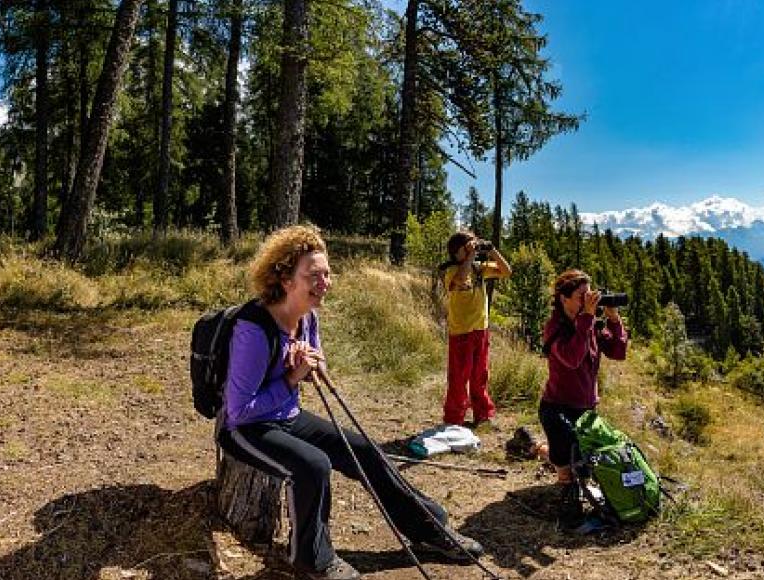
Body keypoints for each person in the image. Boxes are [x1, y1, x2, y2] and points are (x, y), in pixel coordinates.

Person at [216, 225, 484, 580]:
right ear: (285, 279)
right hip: (246, 429)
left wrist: (308, 362)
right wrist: (292, 378)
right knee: (313, 466)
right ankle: (311, 559)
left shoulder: (307, 314)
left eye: (326, 273)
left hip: (286, 415)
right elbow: (239, 410)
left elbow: (319, 361)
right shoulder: (254, 329)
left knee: (367, 451)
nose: (324, 282)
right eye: (313, 275)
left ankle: (429, 528)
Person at [537, 269, 629, 519]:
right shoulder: (554, 327)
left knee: (586, 459)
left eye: (591, 295)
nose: (588, 301)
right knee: (567, 459)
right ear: (564, 298)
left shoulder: (592, 324)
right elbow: (571, 359)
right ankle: (564, 481)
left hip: (585, 407)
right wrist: (587, 318)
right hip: (557, 405)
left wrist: (613, 320)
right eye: (582, 296)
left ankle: (546, 453)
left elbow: (619, 352)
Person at [438, 231, 512, 428]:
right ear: (457, 251)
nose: (473, 248)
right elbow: (461, 280)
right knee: (458, 378)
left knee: (480, 375)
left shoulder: (479, 269)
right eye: (468, 246)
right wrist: (470, 256)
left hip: (481, 329)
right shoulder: (451, 271)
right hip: (461, 331)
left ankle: (483, 413)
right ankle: (454, 417)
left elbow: (506, 271)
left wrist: (492, 250)